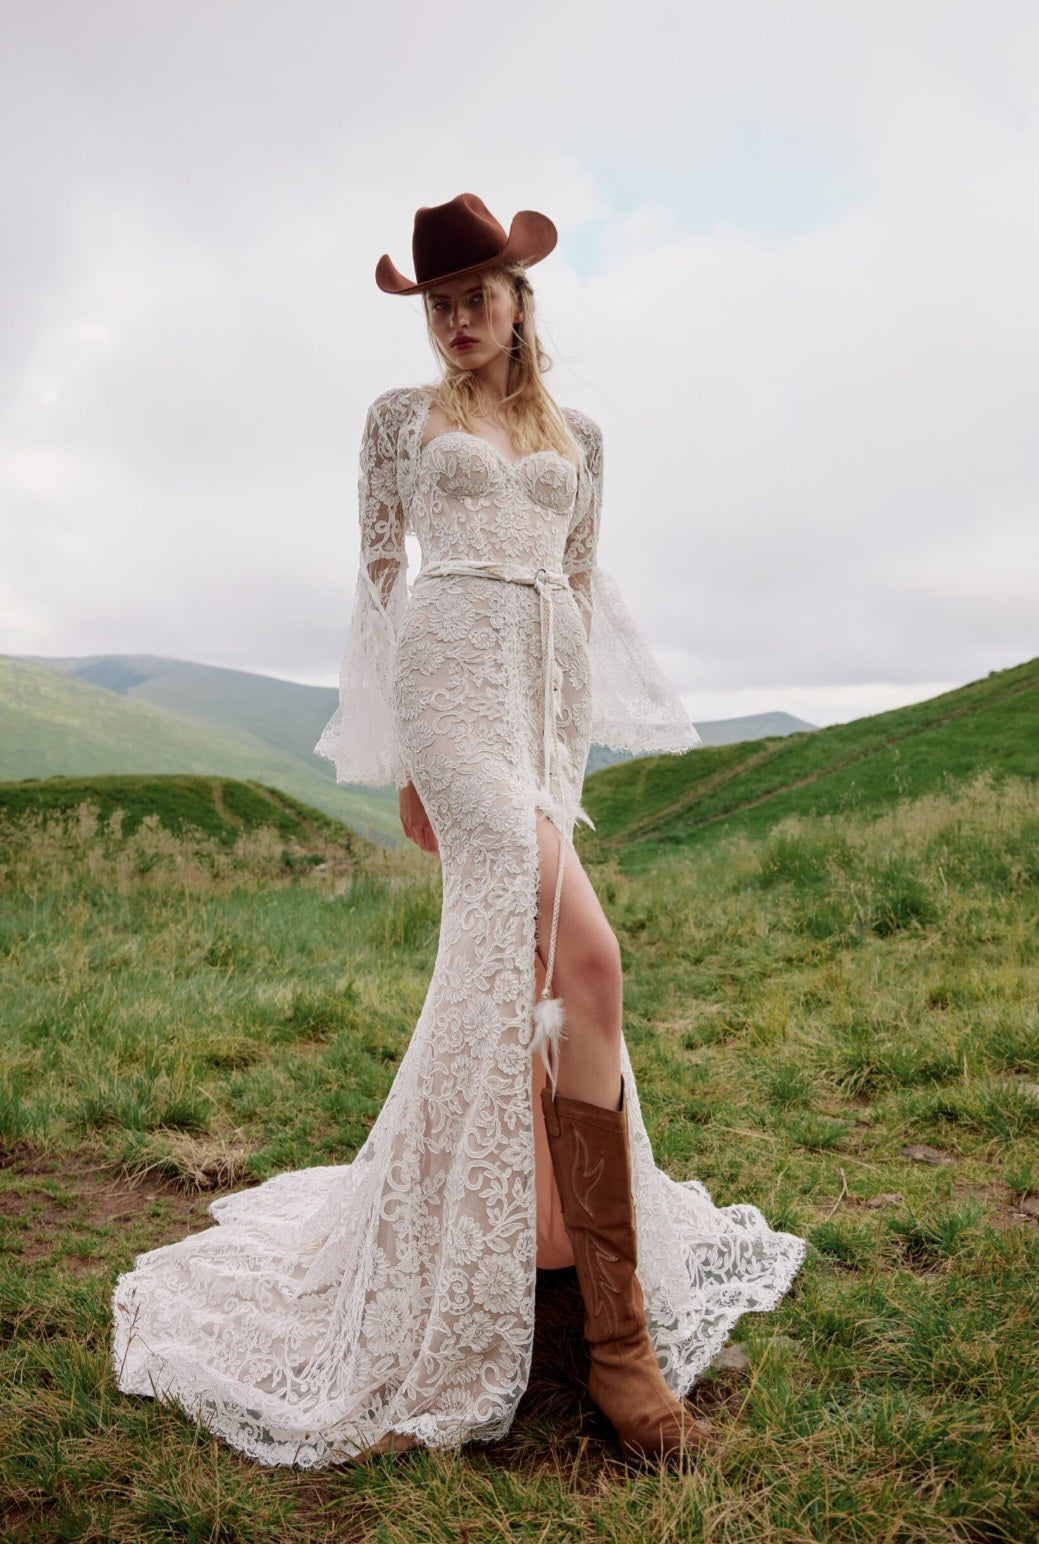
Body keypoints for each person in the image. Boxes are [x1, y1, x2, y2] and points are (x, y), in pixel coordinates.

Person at [111, 193, 807, 1467]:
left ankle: (532, 1246)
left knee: (522, 971)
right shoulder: (397, 420)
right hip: (445, 687)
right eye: (437, 302)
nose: (455, 319)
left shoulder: (578, 434)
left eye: (476, 295)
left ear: (520, 299)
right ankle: (619, 1348)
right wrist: (399, 752)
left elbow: (580, 588)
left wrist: (561, 747)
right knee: (589, 959)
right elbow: (379, 577)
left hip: (538, 696)